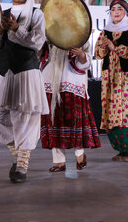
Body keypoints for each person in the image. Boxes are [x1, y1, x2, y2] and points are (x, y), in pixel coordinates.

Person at [0, 0, 48, 183]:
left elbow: (37, 43)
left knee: (25, 117)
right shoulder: (2, 13)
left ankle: (22, 165)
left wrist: (17, 29)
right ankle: (18, 155)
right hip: (4, 71)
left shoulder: (36, 14)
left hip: (26, 70)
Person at [40, 40, 101, 172]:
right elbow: (40, 52)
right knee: (54, 121)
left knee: (74, 121)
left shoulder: (80, 33)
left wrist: (81, 55)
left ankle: (79, 154)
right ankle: (59, 161)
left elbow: (86, 61)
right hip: (51, 79)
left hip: (72, 81)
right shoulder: (50, 32)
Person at [94, 0, 128, 161]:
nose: (116, 12)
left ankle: (127, 150)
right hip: (110, 77)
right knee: (111, 110)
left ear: (126, 13)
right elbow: (98, 54)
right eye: (113, 9)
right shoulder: (105, 32)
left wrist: (115, 48)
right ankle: (119, 149)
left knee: (127, 110)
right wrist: (105, 47)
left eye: (120, 9)